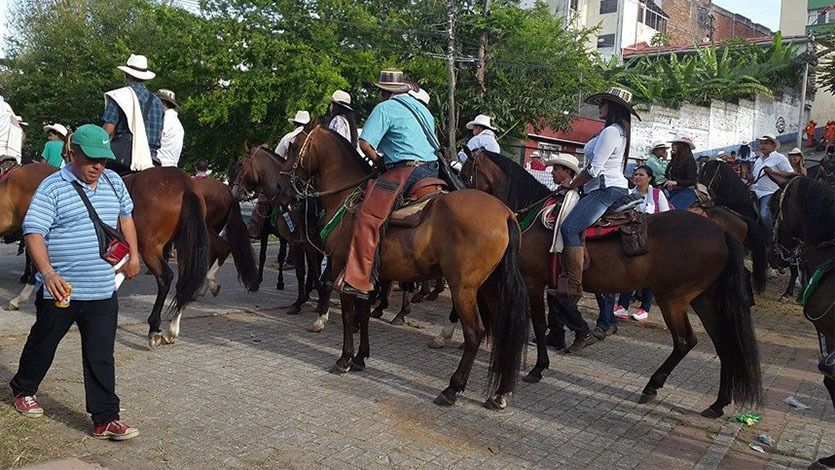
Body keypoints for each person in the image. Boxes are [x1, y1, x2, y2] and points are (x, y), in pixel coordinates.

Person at [9, 124, 141, 440]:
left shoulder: (113, 182)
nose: (98, 166)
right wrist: (48, 272)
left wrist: (134, 255)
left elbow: (126, 217)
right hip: (62, 289)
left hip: (102, 288)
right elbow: (34, 232)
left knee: (101, 354)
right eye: (91, 159)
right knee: (44, 342)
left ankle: (105, 418)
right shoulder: (53, 187)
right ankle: (23, 389)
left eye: (103, 160)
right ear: (73, 153)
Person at [337, 69, 439, 298]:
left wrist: (379, 161)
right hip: (432, 171)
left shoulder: (385, 108)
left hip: (406, 171)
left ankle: (358, 279)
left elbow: (365, 144)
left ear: (383, 91)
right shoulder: (423, 110)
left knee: (366, 216)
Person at [557, 87, 637, 339]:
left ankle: (573, 283)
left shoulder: (611, 132)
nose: (600, 106)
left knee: (569, 227)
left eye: (603, 103)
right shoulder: (616, 131)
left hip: (605, 190)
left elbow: (593, 169)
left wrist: (571, 185)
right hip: (604, 188)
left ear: (613, 107)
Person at [543, 153, 593, 352]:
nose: (552, 172)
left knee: (562, 291)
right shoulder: (560, 193)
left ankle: (582, 330)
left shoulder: (573, 196)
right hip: (557, 247)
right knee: (554, 291)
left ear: (567, 172)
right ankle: (556, 333)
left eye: (556, 169)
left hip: (564, 249)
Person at [613, 165, 670, 322]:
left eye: (641, 174)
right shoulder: (630, 194)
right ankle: (622, 305)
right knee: (630, 271)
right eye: (636, 174)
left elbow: (666, 216)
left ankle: (644, 307)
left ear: (649, 178)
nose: (637, 177)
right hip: (633, 238)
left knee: (648, 273)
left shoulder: (657, 195)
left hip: (653, 239)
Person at [102, 54, 163, 172]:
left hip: (124, 156)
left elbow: (107, 130)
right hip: (151, 158)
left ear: (127, 75)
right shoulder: (157, 102)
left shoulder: (119, 96)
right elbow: (159, 135)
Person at [750, 135, 794, 234]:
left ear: (773, 145)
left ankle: (770, 235)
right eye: (761, 143)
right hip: (754, 189)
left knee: (764, 215)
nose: (762, 146)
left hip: (769, 192)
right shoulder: (758, 159)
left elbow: (790, 173)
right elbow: (755, 176)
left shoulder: (780, 158)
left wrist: (773, 172)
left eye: (766, 143)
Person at [664, 135, 698, 209]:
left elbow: (692, 180)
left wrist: (676, 182)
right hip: (673, 191)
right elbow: (668, 174)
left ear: (681, 146)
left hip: (685, 193)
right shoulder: (674, 159)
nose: (672, 146)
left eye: (675, 144)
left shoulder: (689, 160)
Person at [155, 89, 184, 167]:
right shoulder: (178, 123)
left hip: (159, 163)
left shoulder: (163, 120)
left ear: (163, 103)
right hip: (173, 165)